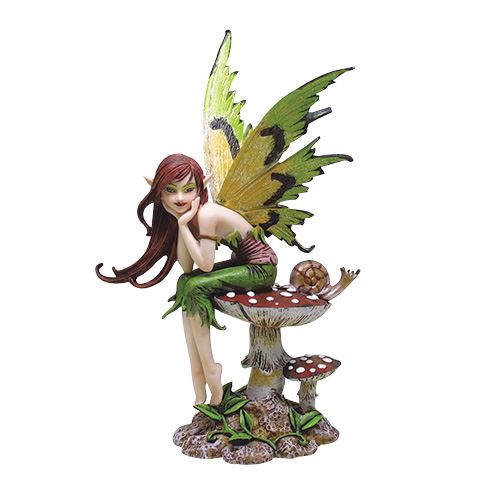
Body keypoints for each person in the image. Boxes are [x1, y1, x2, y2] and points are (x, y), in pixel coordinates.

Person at [96, 154, 277, 405]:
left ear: (201, 187)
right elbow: (186, 265)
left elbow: (205, 264)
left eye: (188, 189)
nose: (180, 198)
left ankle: (210, 367)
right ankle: (199, 375)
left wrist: (183, 225)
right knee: (185, 282)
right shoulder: (190, 215)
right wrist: (179, 223)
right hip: (242, 265)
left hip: (261, 269)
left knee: (194, 286)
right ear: (158, 191)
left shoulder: (207, 214)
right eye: (170, 190)